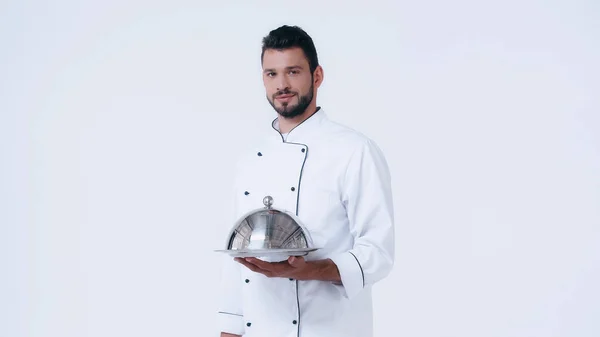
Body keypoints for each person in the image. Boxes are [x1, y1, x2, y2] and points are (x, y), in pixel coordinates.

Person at [216, 25, 395, 337]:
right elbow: (237, 263)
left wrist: (310, 269)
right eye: (271, 74)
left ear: (317, 76)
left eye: (293, 72)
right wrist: (229, 330)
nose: (282, 84)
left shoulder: (354, 151)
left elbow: (378, 251)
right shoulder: (250, 159)